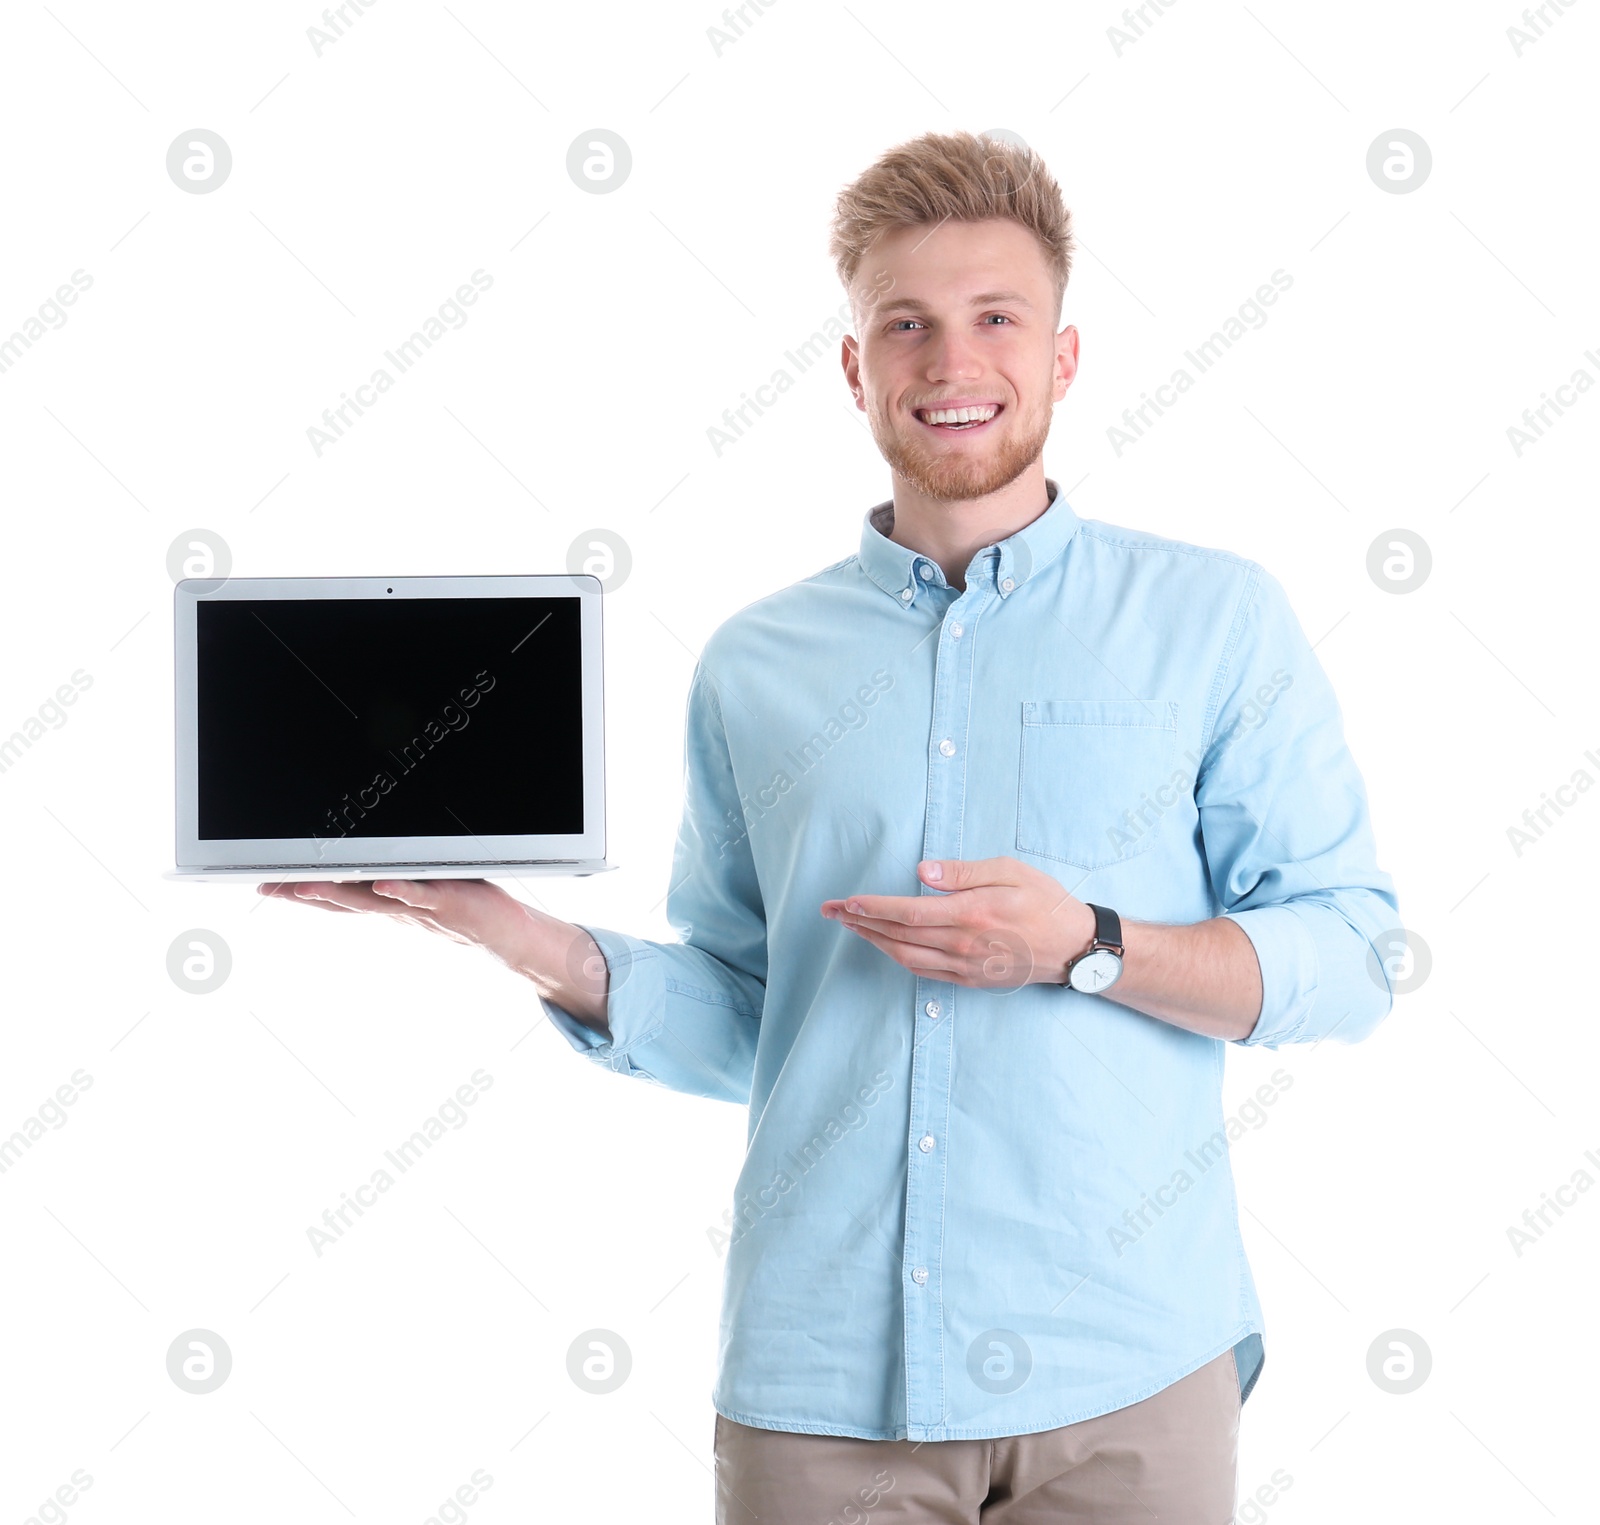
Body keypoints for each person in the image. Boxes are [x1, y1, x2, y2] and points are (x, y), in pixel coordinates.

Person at [265, 129, 1400, 1524]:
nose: (952, 361)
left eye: (997, 318)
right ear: (858, 369)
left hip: (1128, 1367)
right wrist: (525, 938)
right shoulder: (756, 662)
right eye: (905, 325)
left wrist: (1086, 944)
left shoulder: (1218, 621)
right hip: (822, 1383)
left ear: (1064, 356)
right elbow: (759, 1011)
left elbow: (1350, 956)